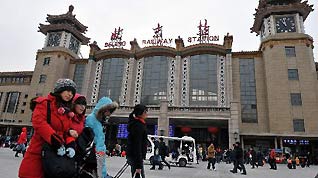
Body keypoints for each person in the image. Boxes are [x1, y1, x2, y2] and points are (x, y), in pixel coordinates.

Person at [19, 78, 77, 178]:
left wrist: (71, 143)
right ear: (59, 90)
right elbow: (39, 122)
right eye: (67, 90)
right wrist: (54, 139)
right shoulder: (45, 103)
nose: (70, 94)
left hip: (57, 153)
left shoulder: (67, 111)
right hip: (40, 148)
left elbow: (66, 130)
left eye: (72, 92)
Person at [85, 96, 118, 178]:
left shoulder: (101, 122)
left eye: (111, 111)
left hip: (98, 154)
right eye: (108, 110)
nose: (109, 113)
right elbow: (90, 138)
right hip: (92, 155)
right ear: (102, 109)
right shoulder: (91, 119)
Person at [126, 104, 148, 178]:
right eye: (145, 112)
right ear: (140, 113)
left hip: (134, 156)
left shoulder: (137, 123)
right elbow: (137, 145)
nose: (146, 114)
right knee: (138, 175)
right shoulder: (138, 126)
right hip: (136, 156)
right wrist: (138, 165)